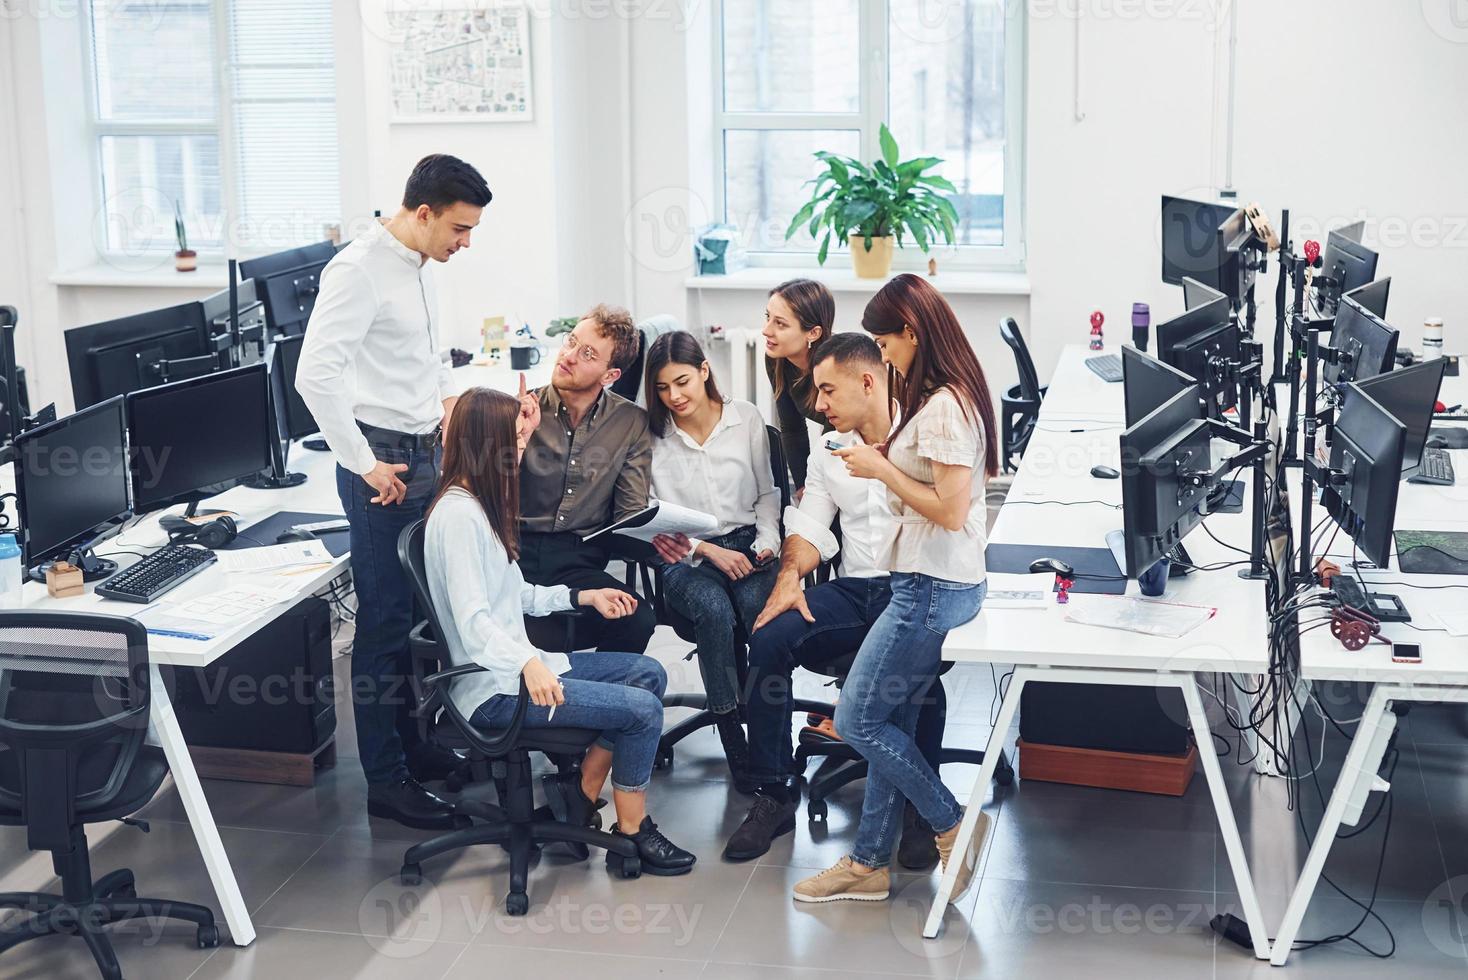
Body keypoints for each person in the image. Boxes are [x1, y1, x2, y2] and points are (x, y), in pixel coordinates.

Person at [424, 387, 695, 874]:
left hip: (516, 671)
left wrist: (581, 597)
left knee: (648, 674)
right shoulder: (459, 517)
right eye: (516, 444)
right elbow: (473, 621)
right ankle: (632, 832)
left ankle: (580, 794)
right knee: (642, 710)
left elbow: (517, 594)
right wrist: (527, 662)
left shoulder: (478, 505)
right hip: (493, 692)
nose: (521, 454)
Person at [296, 153, 491, 830]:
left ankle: (416, 747)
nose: (465, 243)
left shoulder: (420, 266)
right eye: (460, 230)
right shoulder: (356, 271)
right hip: (383, 467)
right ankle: (387, 781)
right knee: (379, 627)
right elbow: (314, 377)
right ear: (423, 212)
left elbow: (429, 358)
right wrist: (363, 463)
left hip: (425, 455)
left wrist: (446, 423)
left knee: (417, 618)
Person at [792, 274, 999, 905]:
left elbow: (950, 510)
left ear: (912, 333)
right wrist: (890, 455)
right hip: (932, 582)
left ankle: (951, 822)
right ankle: (869, 863)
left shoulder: (942, 405)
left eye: (887, 342)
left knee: (856, 719)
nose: (883, 356)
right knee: (891, 719)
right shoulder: (937, 398)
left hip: (928, 589)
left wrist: (882, 466)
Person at [722, 332, 949, 866]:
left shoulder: (924, 433)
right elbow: (809, 523)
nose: (818, 405)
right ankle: (774, 793)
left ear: (867, 382)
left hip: (913, 588)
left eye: (827, 391)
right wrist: (789, 578)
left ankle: (921, 809)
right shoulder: (828, 446)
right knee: (770, 636)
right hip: (854, 588)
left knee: (920, 678)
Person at [643, 331, 779, 793]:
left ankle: (765, 732)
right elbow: (648, 512)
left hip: (747, 543)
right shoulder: (653, 437)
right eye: (662, 388)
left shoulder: (746, 418)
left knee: (759, 615)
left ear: (704, 370)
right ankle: (731, 733)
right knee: (715, 612)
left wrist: (766, 542)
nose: (674, 396)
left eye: (682, 381)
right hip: (685, 554)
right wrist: (706, 550)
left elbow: (767, 493)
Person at [518, 305, 658, 654]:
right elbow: (484, 497)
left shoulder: (630, 423)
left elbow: (630, 514)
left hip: (578, 558)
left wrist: (664, 535)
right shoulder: (519, 410)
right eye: (570, 342)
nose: (568, 356)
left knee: (637, 618)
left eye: (587, 353)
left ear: (610, 375)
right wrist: (515, 436)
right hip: (513, 552)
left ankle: (600, 703)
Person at [762, 279, 835, 492]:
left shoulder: (835, 367)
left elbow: (833, 439)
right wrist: (803, 485)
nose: (766, 331)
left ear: (813, 333)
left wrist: (817, 487)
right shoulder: (777, 359)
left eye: (780, 324)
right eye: (768, 317)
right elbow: (792, 428)